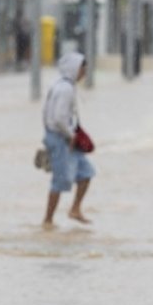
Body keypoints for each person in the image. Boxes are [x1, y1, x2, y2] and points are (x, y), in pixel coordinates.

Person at [42, 51, 94, 227]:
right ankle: (48, 220)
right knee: (59, 180)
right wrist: (70, 135)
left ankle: (75, 209)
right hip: (61, 139)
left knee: (86, 173)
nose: (84, 73)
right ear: (74, 69)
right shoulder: (65, 89)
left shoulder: (63, 85)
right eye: (82, 69)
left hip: (63, 137)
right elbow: (58, 117)